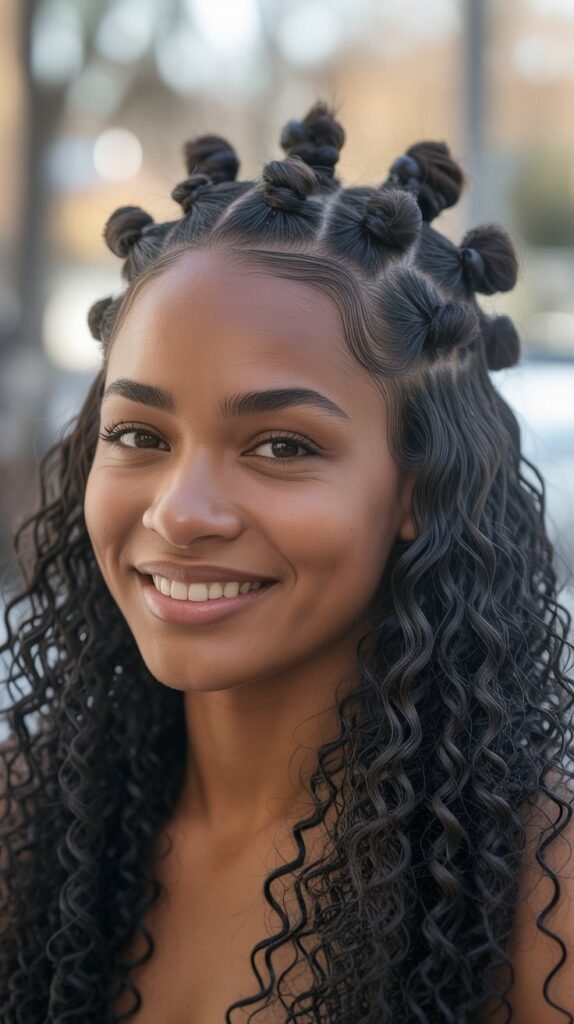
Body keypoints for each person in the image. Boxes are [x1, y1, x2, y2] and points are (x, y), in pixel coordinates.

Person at [1, 103, 573, 1024]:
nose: (179, 512)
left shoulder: (542, 898)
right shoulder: (22, 824)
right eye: (140, 433)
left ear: (421, 493)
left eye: (281, 447)